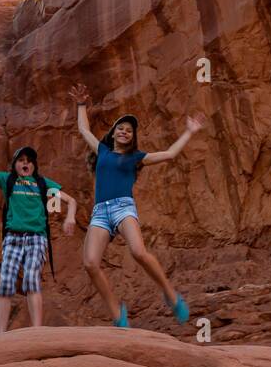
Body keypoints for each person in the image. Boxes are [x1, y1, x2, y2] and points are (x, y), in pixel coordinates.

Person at [70, 84, 202, 328]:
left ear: (133, 137)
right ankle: (117, 313)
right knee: (90, 263)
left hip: (123, 208)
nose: (124, 132)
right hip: (100, 212)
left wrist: (189, 132)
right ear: (113, 132)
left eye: (129, 131)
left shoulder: (136, 157)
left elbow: (170, 154)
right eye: (120, 128)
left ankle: (171, 295)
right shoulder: (102, 150)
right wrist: (80, 105)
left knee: (138, 252)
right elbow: (83, 128)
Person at [0, 123, 78, 333]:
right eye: (21, 161)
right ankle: (1, 333)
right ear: (15, 165)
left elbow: (70, 200)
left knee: (31, 279)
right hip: (13, 237)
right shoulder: (8, 180)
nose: (25, 164)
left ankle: (36, 332)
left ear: (34, 165)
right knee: (6, 281)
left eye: (29, 161)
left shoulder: (42, 184)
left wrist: (70, 218)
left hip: (36, 237)